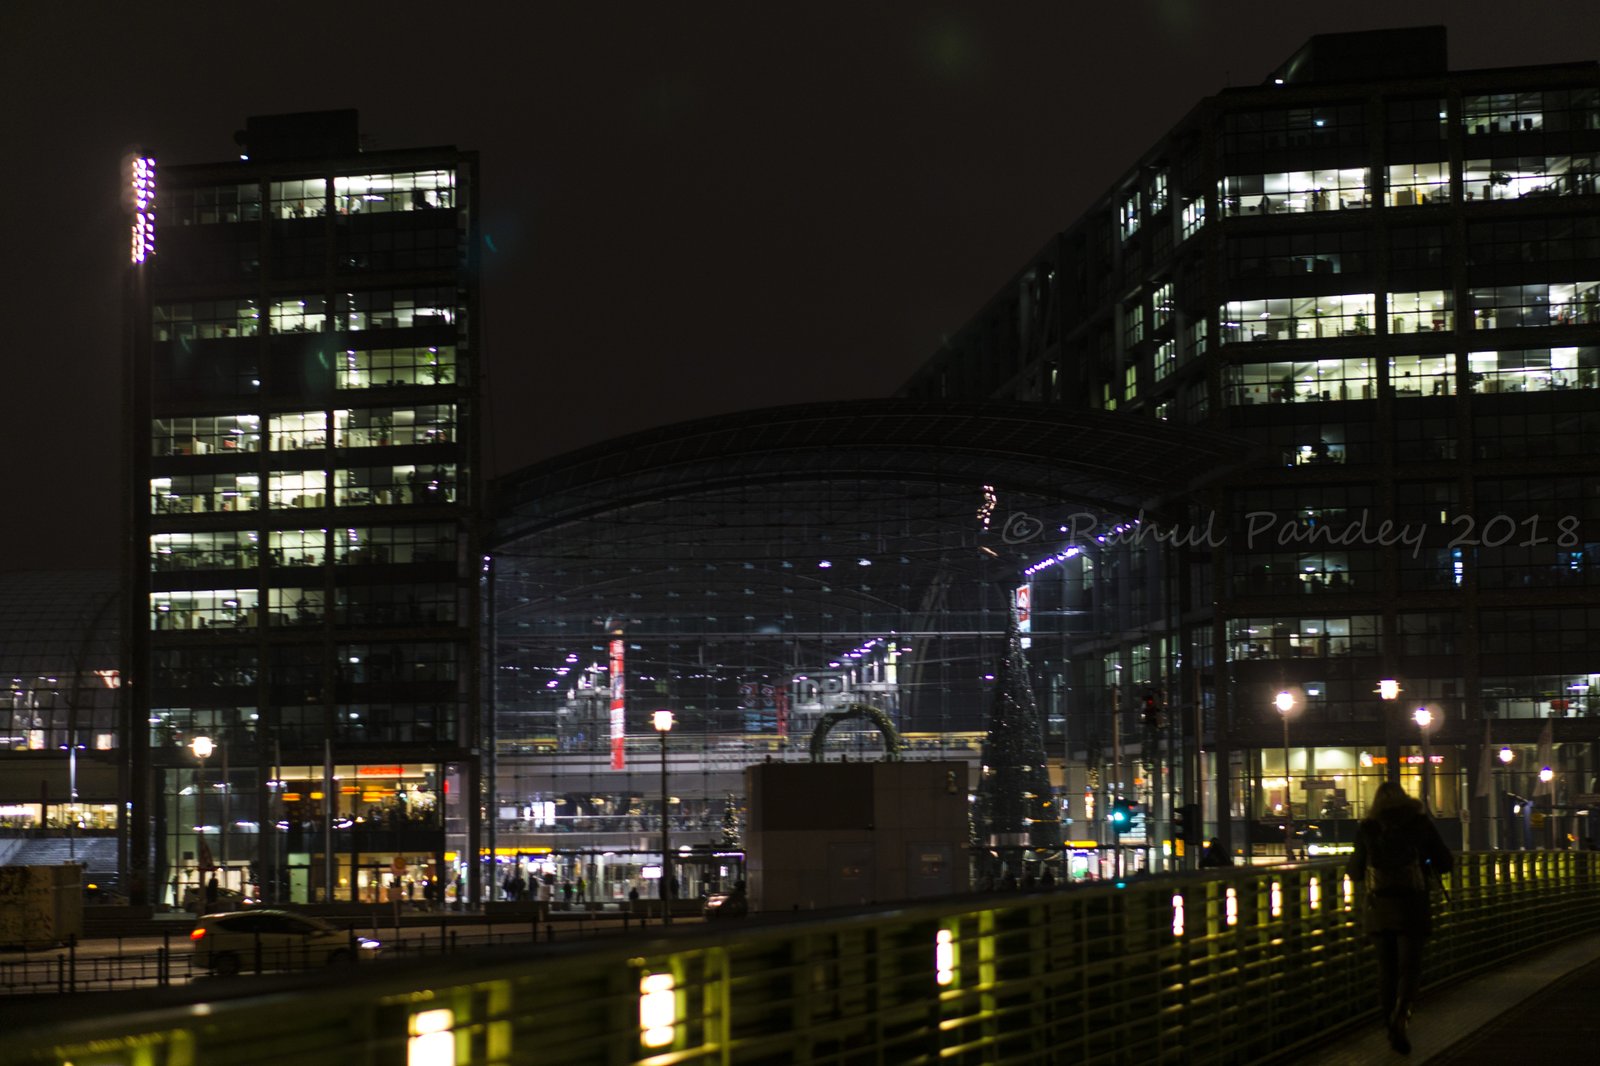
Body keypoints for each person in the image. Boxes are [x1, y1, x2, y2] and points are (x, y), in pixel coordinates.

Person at [1348, 781, 1454, 1054]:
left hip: (1379, 907)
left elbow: (1355, 871)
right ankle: (1401, 1016)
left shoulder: (1368, 827)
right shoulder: (1419, 823)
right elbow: (1445, 862)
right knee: (1410, 967)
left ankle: (1388, 1025)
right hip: (1412, 905)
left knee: (1387, 969)